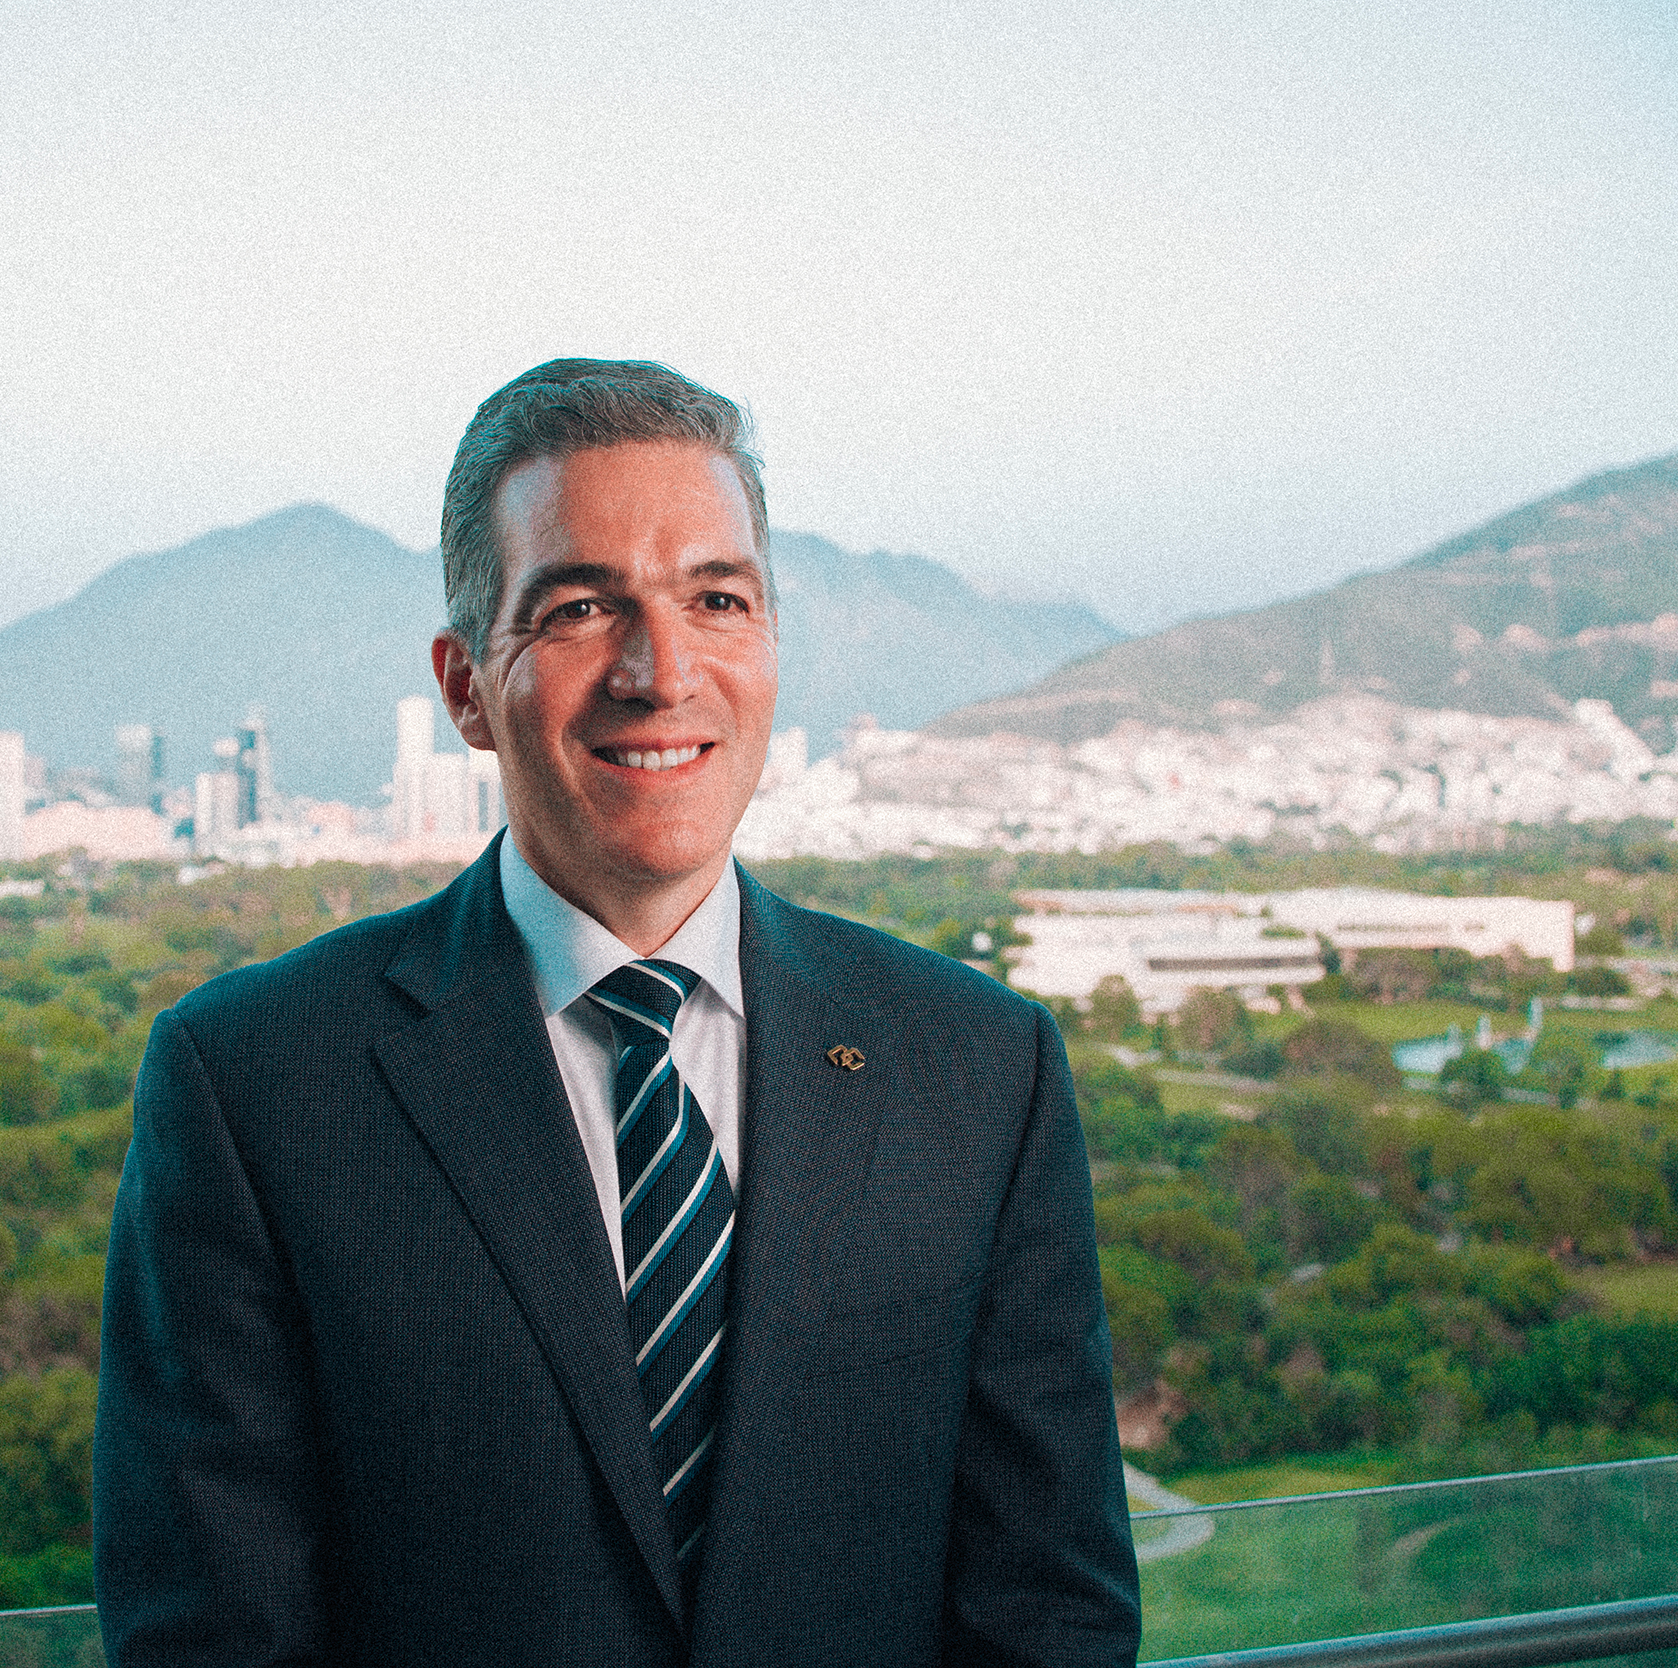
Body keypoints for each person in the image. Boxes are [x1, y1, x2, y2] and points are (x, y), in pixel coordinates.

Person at [94, 359, 1140, 1666]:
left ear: (769, 649)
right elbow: (213, 1636)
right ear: (466, 687)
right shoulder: (253, 1084)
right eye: (582, 607)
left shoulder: (981, 1069)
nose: (660, 670)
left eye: (716, 599)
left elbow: (1050, 1610)